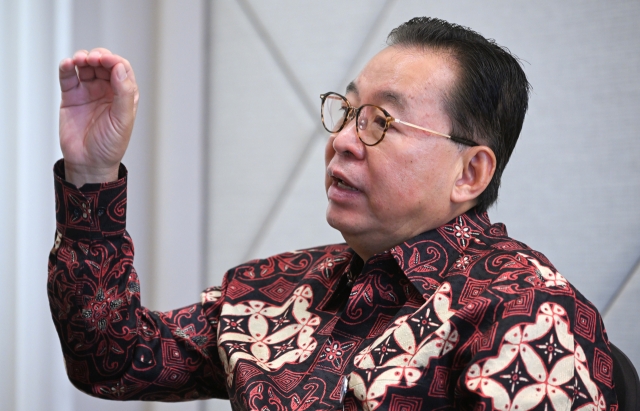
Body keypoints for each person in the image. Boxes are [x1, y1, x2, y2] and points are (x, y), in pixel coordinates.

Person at [48, 17, 617, 410]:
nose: (343, 140)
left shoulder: (529, 318)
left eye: (382, 123)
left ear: (469, 173)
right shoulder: (273, 292)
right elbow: (112, 356)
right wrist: (91, 174)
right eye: (347, 111)